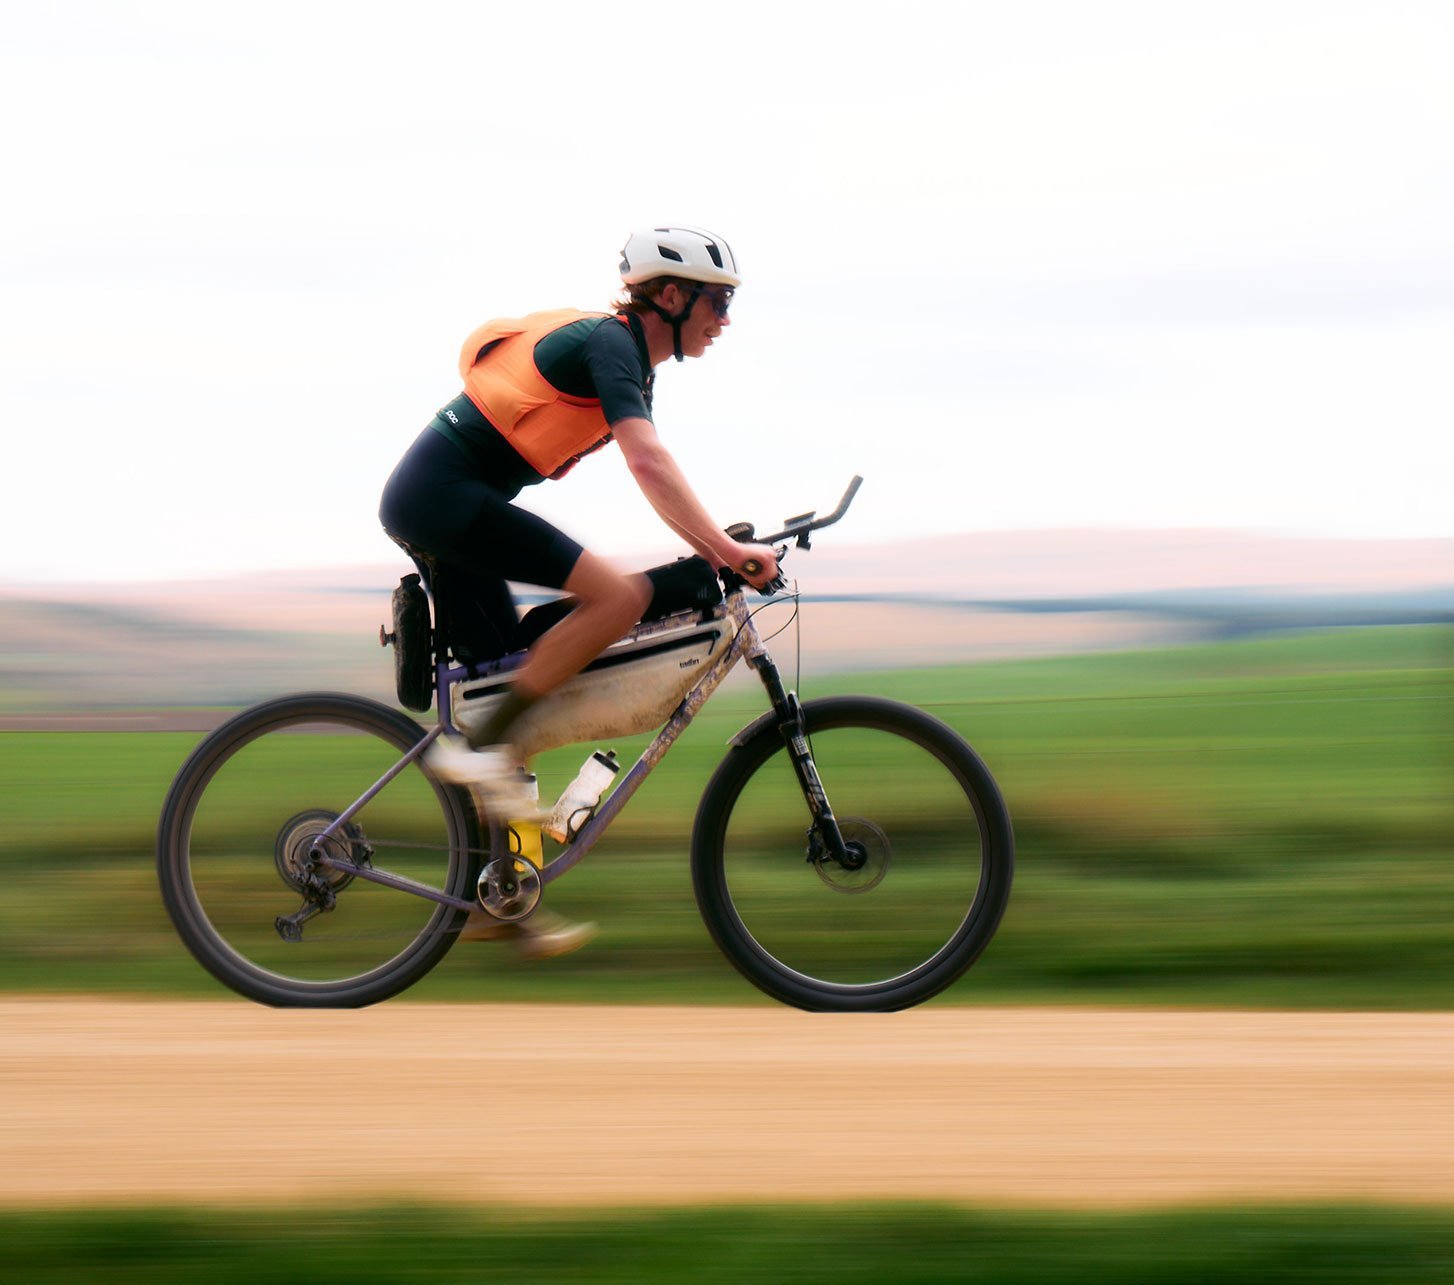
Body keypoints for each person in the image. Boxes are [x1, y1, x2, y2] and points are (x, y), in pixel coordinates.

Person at [378, 226, 778, 957]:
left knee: (506, 686)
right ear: (669, 295)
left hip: (445, 499)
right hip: (442, 499)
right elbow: (647, 461)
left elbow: (651, 461)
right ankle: (482, 753)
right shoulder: (612, 345)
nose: (726, 319)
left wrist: (718, 545)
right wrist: (722, 549)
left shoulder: (626, 357)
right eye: (717, 302)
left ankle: (498, 900)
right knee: (618, 599)